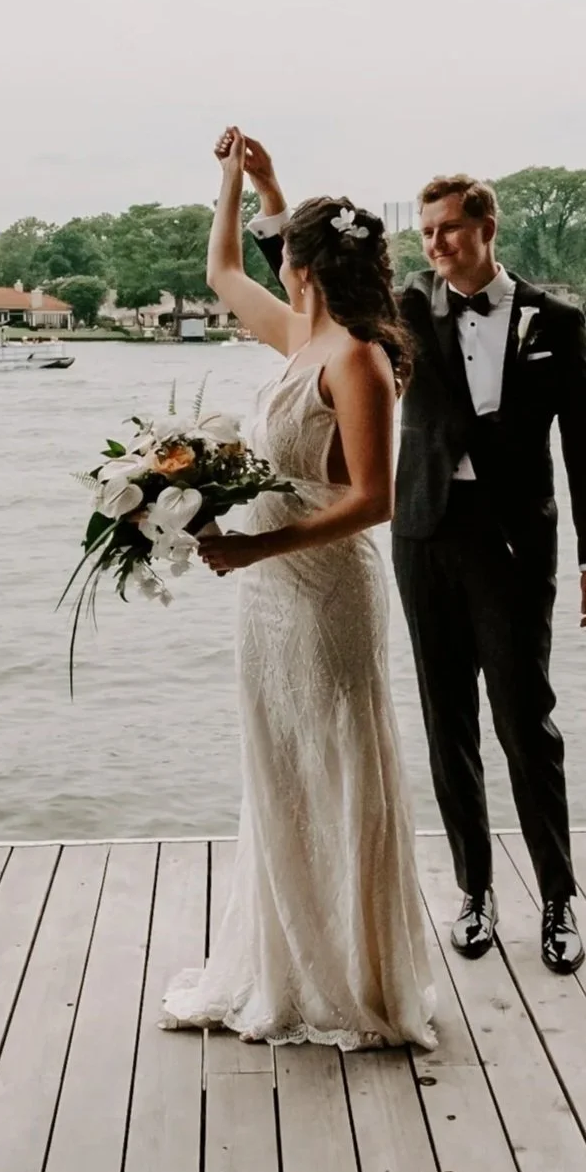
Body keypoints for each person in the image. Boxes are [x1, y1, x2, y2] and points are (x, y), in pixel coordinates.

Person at [247, 151, 586, 975]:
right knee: (446, 724)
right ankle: (474, 890)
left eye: (449, 228)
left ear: (487, 227)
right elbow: (310, 289)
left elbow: (585, 444)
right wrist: (272, 203)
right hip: (422, 532)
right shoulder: (403, 307)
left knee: (526, 722)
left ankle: (557, 900)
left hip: (517, 541)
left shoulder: (554, 321)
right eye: (425, 232)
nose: (437, 244)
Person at [160, 128, 436, 1050]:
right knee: (279, 773)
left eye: (288, 256)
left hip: (324, 598)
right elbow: (220, 270)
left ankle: (353, 978)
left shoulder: (355, 358)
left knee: (338, 768)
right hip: (267, 603)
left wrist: (252, 553)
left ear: (310, 268)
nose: (275, 269)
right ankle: (284, 961)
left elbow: (374, 499)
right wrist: (246, 181)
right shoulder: (295, 336)